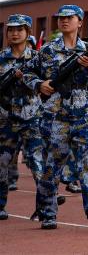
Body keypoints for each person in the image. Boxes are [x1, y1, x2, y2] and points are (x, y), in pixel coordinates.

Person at [21, 5, 88, 229]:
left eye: (69, 18)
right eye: (61, 18)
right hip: (55, 117)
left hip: (84, 115)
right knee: (53, 166)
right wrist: (40, 84)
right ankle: (47, 211)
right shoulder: (48, 51)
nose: (64, 21)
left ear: (80, 22)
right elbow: (26, 72)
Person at [0, 14, 45, 221]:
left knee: (37, 163)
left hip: (32, 117)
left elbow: (47, 84)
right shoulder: (1, 58)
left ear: (28, 33)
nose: (14, 33)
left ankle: (44, 207)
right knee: (2, 163)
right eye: (11, 30)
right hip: (6, 119)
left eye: (19, 30)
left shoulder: (37, 58)